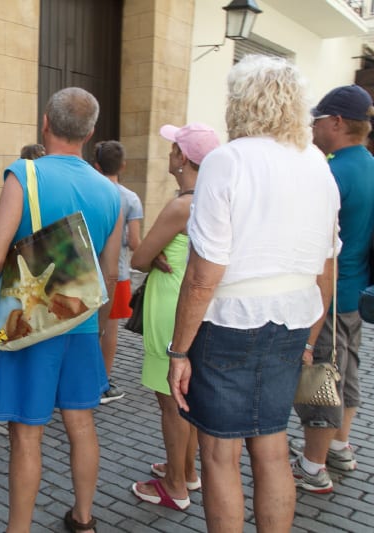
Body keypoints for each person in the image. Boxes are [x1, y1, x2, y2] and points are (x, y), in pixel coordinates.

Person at [167, 55, 340, 531]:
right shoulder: (316, 165)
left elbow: (203, 275)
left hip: (228, 322)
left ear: (241, 103)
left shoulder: (228, 160)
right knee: (272, 447)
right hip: (292, 320)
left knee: (220, 453)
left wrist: (178, 350)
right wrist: (312, 337)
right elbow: (328, 264)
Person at [0, 87, 122, 533]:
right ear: (90, 132)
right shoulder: (111, 191)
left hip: (29, 322)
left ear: (46, 122)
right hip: (78, 321)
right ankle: (83, 518)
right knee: (81, 424)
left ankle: (17, 529)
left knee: (27, 434)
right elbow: (110, 270)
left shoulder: (24, 174)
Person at [129, 124, 219, 510]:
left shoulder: (182, 204)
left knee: (170, 403)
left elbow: (139, 258)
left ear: (182, 157)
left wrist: (155, 254)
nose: (168, 155)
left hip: (169, 306)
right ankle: (187, 470)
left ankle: (175, 485)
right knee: (186, 400)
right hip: (195, 308)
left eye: (172, 149)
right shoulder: (214, 198)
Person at [290, 84, 374, 493]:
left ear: (338, 122)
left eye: (318, 119)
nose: (313, 126)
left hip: (330, 295)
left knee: (321, 377)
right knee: (349, 371)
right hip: (356, 294)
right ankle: (339, 446)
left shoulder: (332, 172)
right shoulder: (369, 166)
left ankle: (312, 466)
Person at [0, 142, 46, 386]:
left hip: (15, 275)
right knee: (32, 323)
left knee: (3, 325)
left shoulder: (19, 187)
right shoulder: (49, 189)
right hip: (38, 275)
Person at [93, 140, 143, 404]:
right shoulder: (130, 198)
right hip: (118, 273)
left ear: (96, 165)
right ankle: (103, 382)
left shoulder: (88, 190)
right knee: (109, 331)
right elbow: (135, 242)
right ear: (123, 165)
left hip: (88, 271)